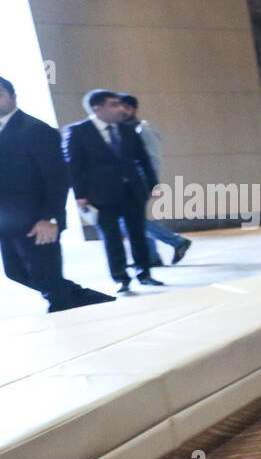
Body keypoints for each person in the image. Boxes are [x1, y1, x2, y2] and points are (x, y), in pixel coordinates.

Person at [0, 76, 115, 312]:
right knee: (16, 273)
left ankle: (68, 318)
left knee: (47, 278)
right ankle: (89, 299)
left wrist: (49, 219)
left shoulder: (36, 130)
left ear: (13, 97)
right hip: (7, 222)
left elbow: (58, 179)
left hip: (38, 221)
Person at [63, 89, 162, 293]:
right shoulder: (78, 131)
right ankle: (121, 278)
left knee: (138, 234)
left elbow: (143, 160)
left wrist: (153, 185)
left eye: (120, 104)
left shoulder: (126, 130)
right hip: (101, 195)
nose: (120, 108)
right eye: (114, 104)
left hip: (132, 191)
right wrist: (80, 195)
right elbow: (74, 166)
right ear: (97, 108)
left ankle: (145, 273)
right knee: (112, 237)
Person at [118, 94, 192, 265]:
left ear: (133, 109)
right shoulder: (123, 130)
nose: (120, 110)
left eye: (124, 107)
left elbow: (152, 159)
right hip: (130, 182)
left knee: (131, 219)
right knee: (134, 219)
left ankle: (176, 242)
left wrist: (149, 183)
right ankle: (151, 257)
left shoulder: (143, 129)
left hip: (140, 182)